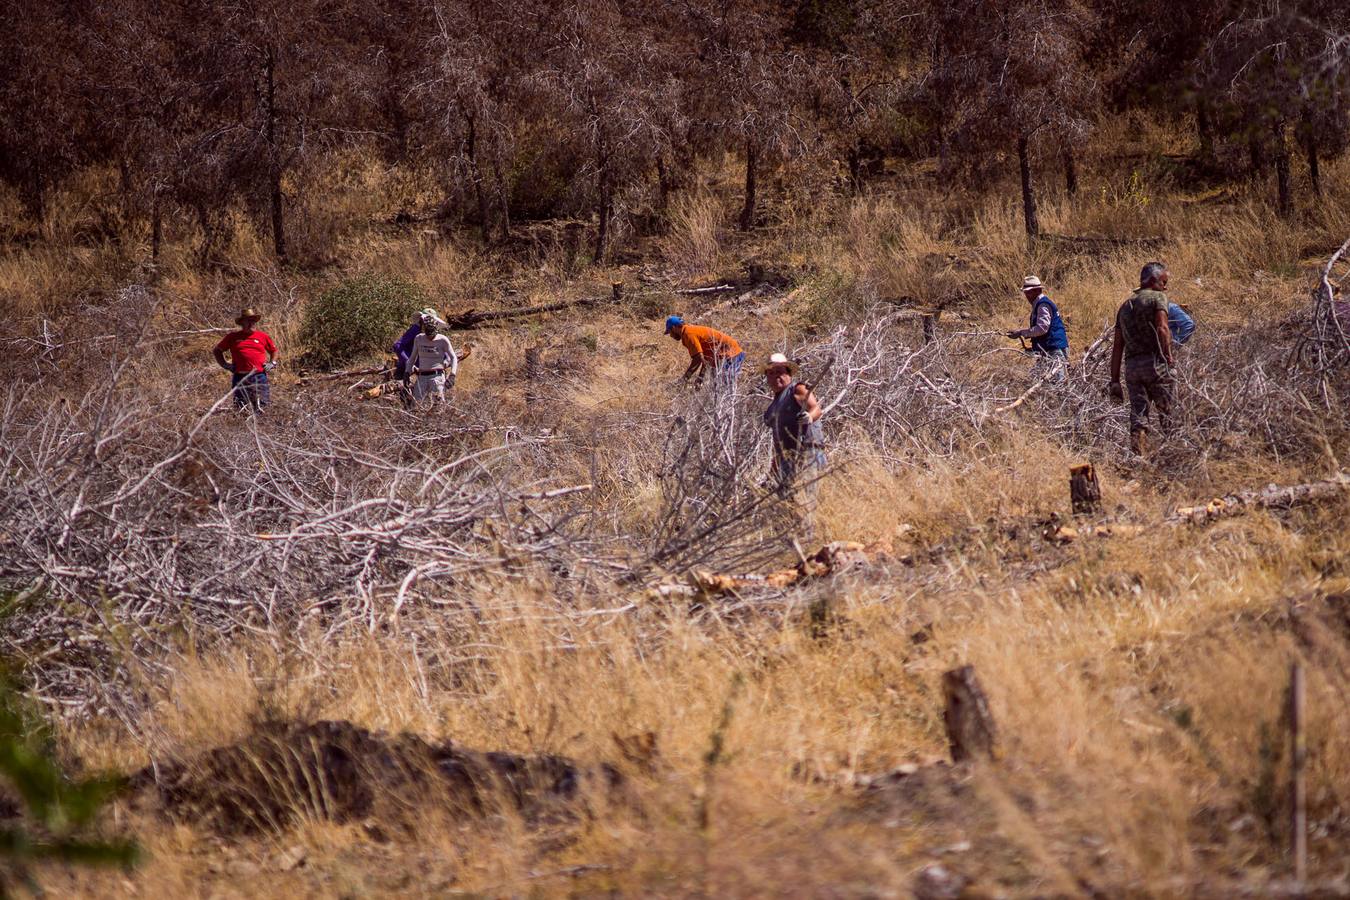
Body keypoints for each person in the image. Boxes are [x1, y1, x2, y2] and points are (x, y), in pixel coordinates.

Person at [1108, 262, 1175, 455]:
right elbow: (1162, 328)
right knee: (1167, 412)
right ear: (1154, 281)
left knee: (1138, 416)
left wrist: (1114, 380)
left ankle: (1139, 458)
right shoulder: (1157, 297)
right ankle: (1175, 454)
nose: (1165, 286)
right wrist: (1168, 356)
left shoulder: (1124, 306)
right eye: (1164, 282)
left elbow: (1117, 346)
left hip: (1132, 369)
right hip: (1155, 364)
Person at [762, 352, 826, 506]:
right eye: (771, 373)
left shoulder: (797, 389)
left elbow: (816, 409)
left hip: (809, 451)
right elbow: (777, 442)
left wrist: (809, 417)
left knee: (810, 499)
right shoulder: (771, 410)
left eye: (779, 372)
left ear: (788, 373)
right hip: (786, 459)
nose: (775, 376)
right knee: (787, 502)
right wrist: (773, 471)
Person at [212, 307, 278, 413]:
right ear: (242, 323)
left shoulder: (263, 336)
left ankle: (262, 427)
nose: (251, 323)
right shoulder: (232, 337)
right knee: (240, 406)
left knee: (263, 405)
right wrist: (225, 365)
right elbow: (217, 351)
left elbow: (274, 350)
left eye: (253, 320)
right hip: (240, 377)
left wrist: (272, 363)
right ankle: (241, 426)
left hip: (259, 376)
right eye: (248, 320)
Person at [1006, 275, 1069, 383]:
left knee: (1058, 384)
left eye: (1029, 292)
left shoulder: (1043, 305)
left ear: (1037, 291)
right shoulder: (1040, 304)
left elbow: (1042, 328)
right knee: (1039, 381)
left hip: (1054, 349)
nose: (1027, 295)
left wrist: (1021, 332)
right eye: (1026, 292)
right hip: (1049, 348)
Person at [664, 315, 745, 387]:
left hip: (732, 355)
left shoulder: (688, 334)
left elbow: (697, 359)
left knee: (726, 387)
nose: (671, 335)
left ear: (673, 328)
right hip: (727, 355)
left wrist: (684, 379)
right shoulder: (689, 331)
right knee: (716, 386)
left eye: (669, 332)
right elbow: (705, 358)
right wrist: (700, 378)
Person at [392, 308, 443, 407]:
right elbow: (398, 345)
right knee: (405, 399)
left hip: (423, 370)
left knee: (426, 401)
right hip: (407, 370)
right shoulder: (415, 330)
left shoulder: (434, 334)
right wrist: (407, 362)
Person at [407, 316, 458, 407]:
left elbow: (453, 357)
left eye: (432, 333)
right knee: (415, 406)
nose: (430, 336)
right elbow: (412, 358)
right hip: (421, 377)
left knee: (438, 406)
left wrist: (452, 375)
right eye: (428, 333)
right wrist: (406, 372)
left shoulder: (443, 340)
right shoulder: (419, 339)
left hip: (437, 377)